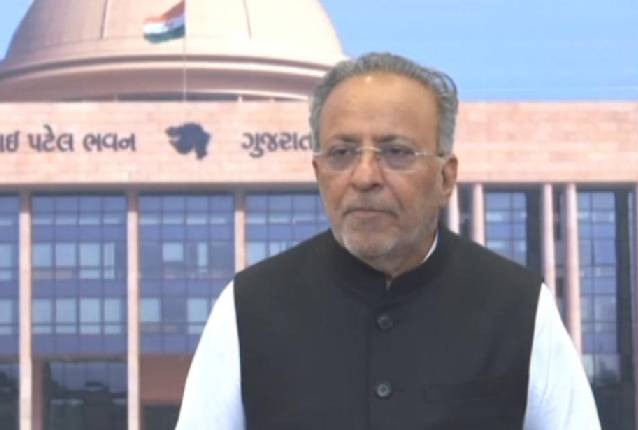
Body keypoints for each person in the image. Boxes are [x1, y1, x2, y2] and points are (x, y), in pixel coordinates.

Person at [176, 52, 600, 429]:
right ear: (319, 173)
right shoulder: (248, 306)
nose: (364, 177)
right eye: (342, 153)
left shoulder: (518, 306)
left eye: (396, 152)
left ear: (445, 177)